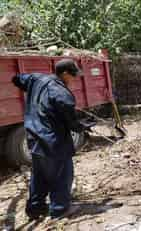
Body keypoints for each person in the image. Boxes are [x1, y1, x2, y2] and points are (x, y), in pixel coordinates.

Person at [12, 59, 92, 220]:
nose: (74, 79)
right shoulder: (63, 94)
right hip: (53, 142)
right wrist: (83, 126)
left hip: (34, 139)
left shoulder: (36, 79)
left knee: (39, 176)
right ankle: (60, 210)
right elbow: (72, 124)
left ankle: (35, 209)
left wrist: (30, 91)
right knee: (62, 175)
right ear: (64, 74)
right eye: (73, 75)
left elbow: (17, 79)